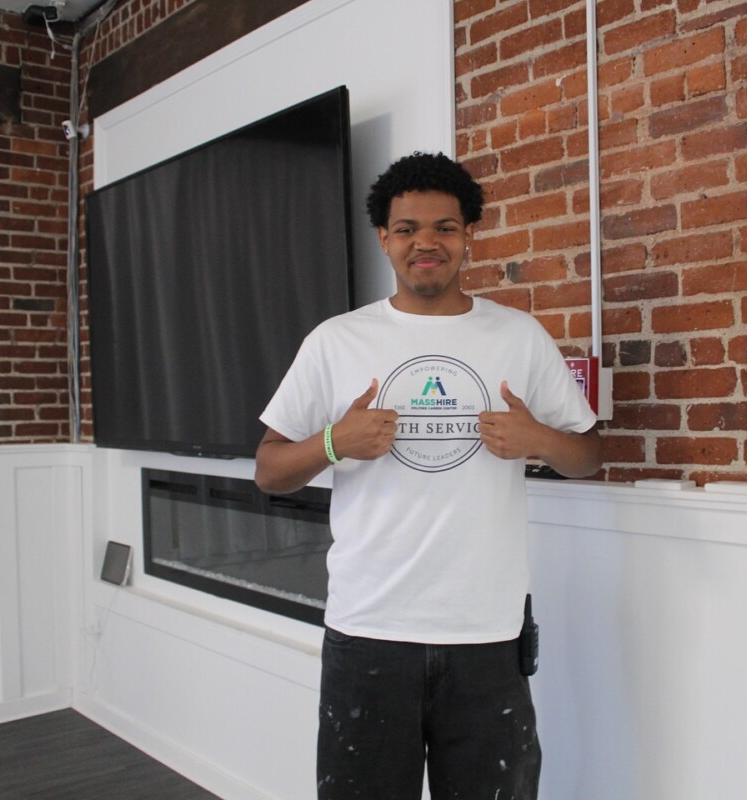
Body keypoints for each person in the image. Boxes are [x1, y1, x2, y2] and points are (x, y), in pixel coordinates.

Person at [254, 151, 602, 799]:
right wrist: (334, 441)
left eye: (444, 227)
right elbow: (269, 470)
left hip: (487, 636)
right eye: (407, 228)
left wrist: (538, 439)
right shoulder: (336, 340)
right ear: (383, 239)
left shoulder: (519, 336)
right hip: (368, 631)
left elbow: (587, 457)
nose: (426, 243)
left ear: (468, 235)